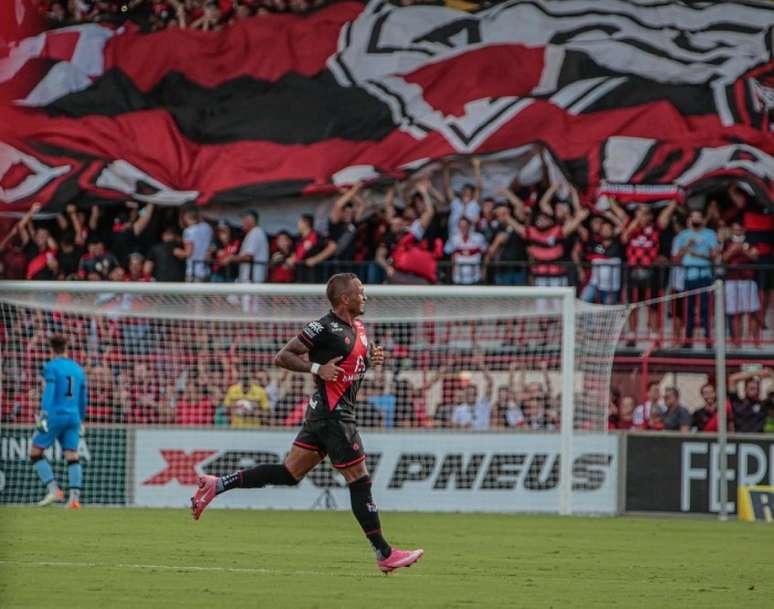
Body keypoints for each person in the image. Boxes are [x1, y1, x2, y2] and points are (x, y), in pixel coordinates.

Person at [191, 273, 423, 573]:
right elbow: (282, 356)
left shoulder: (361, 328)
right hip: (333, 416)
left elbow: (353, 361)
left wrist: (372, 359)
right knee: (359, 479)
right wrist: (316, 367)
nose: (365, 296)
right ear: (344, 299)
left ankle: (217, 484)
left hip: (327, 414)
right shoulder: (323, 327)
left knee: (290, 473)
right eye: (360, 292)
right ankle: (384, 553)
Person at [29, 335, 87, 509]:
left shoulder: (51, 366)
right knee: (72, 455)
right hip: (74, 416)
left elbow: (49, 392)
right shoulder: (78, 369)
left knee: (35, 452)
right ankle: (74, 499)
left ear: (51, 349)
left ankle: (54, 490)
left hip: (55, 415)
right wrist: (81, 419)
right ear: (66, 348)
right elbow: (84, 398)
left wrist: (43, 416)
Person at [672, 209, 720, 347]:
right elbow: (676, 258)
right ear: (690, 218)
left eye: (699, 216)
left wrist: (697, 255)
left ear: (703, 219)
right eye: (694, 216)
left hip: (705, 275)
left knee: (706, 309)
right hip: (688, 275)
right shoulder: (683, 235)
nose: (696, 219)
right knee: (688, 309)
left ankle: (708, 339)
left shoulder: (710, 234)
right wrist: (687, 244)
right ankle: (688, 339)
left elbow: (714, 255)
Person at [728, 368, 773, 433]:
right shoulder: (737, 403)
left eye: (756, 389)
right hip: (740, 440)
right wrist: (757, 373)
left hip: (758, 441)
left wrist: (771, 374)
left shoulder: (763, 404)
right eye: (752, 389)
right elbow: (732, 379)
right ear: (745, 390)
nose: (755, 391)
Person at [178, 207, 213, 282]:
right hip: (206, 270)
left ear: (185, 216)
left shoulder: (188, 231)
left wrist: (178, 252)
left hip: (193, 271)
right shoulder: (207, 227)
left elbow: (188, 253)